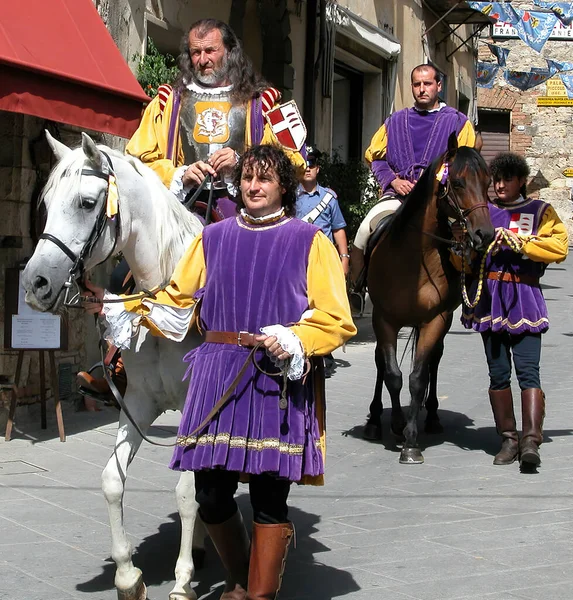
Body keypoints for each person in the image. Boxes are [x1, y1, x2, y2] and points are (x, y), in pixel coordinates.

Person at [83, 144, 356, 600]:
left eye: (265, 179)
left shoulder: (311, 241)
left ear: (283, 188)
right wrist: (116, 306)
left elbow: (335, 316)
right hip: (216, 375)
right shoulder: (212, 238)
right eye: (248, 178)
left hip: (275, 378)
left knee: (270, 498)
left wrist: (294, 338)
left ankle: (255, 594)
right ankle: (243, 578)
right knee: (210, 493)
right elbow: (175, 301)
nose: (253, 186)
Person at [78, 18, 308, 397]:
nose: (202, 59)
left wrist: (244, 161)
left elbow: (294, 158)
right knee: (124, 271)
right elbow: (137, 158)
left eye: (210, 51)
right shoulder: (169, 99)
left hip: (243, 208)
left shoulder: (266, 100)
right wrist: (181, 171)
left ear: (229, 52)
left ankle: (277, 357)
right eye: (196, 52)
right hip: (182, 203)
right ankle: (118, 365)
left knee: (268, 274)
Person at [461, 152, 568, 468]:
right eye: (496, 179)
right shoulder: (484, 212)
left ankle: (531, 441)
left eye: (507, 179)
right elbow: (464, 262)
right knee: (498, 373)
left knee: (528, 371)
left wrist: (521, 243)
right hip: (490, 300)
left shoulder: (540, 212)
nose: (500, 185)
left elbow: (560, 247)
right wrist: (462, 250)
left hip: (523, 297)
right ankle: (508, 439)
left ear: (521, 181)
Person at [350, 63, 476, 286]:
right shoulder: (394, 121)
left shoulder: (458, 123)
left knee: (466, 236)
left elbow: (463, 164)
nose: (422, 89)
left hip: (441, 200)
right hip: (397, 198)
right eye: (417, 84)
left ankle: (468, 288)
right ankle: (357, 286)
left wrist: (435, 184)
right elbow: (375, 158)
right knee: (364, 230)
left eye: (427, 83)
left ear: (438, 86)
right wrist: (393, 181)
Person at [295, 145, 349, 378]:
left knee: (323, 305)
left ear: (318, 168)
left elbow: (338, 230)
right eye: (304, 164)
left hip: (323, 262)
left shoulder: (329, 198)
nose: (308, 168)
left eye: (312, 164)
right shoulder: (289, 195)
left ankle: (325, 351)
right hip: (296, 258)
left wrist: (344, 258)